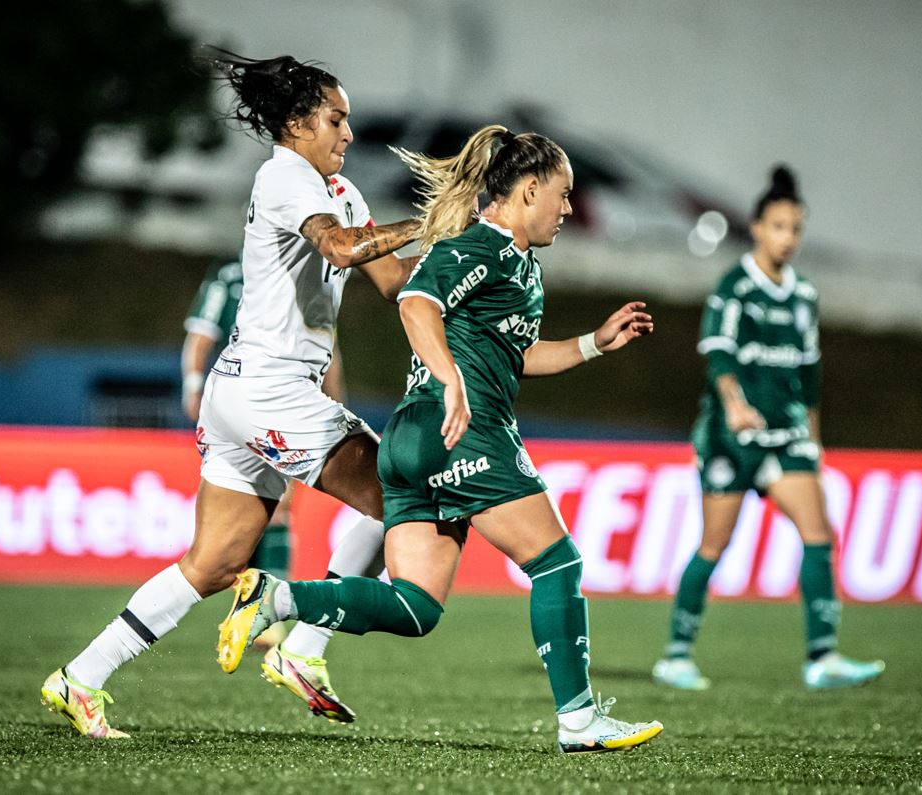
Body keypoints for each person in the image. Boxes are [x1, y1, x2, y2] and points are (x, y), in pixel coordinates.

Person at [215, 125, 664, 754]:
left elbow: (517, 355)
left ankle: (278, 597)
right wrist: (452, 382)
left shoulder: (519, 262)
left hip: (415, 442)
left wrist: (594, 343)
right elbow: (415, 302)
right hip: (463, 430)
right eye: (563, 195)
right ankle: (580, 721)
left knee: (417, 607)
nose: (569, 209)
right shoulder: (479, 244)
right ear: (528, 190)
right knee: (556, 562)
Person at [40, 51, 419, 738]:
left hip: (244, 393)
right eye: (337, 119)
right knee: (405, 494)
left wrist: (471, 252)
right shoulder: (283, 176)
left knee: (213, 564)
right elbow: (338, 249)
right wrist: (434, 220)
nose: (349, 134)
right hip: (270, 390)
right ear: (298, 122)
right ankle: (304, 646)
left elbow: (393, 281)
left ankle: (80, 677)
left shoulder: (344, 192)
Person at [652, 166, 885, 692]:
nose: (788, 238)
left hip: (786, 433)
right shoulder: (735, 287)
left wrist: (815, 436)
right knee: (714, 544)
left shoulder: (804, 294)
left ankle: (822, 658)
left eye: (795, 229)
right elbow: (718, 354)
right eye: (778, 226)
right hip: (731, 437)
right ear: (757, 228)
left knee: (819, 535)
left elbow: (810, 372)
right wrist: (733, 404)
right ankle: (676, 655)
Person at [182, 259, 351, 650]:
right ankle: (254, 601)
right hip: (240, 400)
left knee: (279, 504)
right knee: (234, 522)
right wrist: (192, 385)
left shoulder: (306, 279)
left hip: (286, 403)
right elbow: (201, 336)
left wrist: (337, 407)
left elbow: (328, 351)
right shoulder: (230, 277)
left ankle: (263, 608)